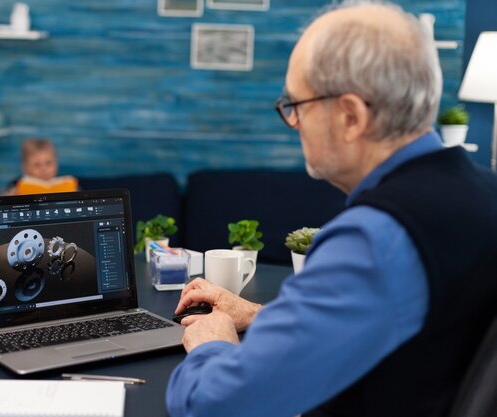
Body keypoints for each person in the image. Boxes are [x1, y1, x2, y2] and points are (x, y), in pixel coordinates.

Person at [166, 2, 497, 417]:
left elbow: (215, 404)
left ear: (350, 116)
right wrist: (258, 314)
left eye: (296, 105)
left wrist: (211, 344)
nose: (294, 123)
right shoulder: (484, 191)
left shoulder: (377, 238)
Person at [7, 138, 79, 195]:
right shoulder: (16, 188)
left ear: (56, 163)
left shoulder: (68, 183)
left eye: (48, 163)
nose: (44, 169)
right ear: (25, 167)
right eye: (37, 165)